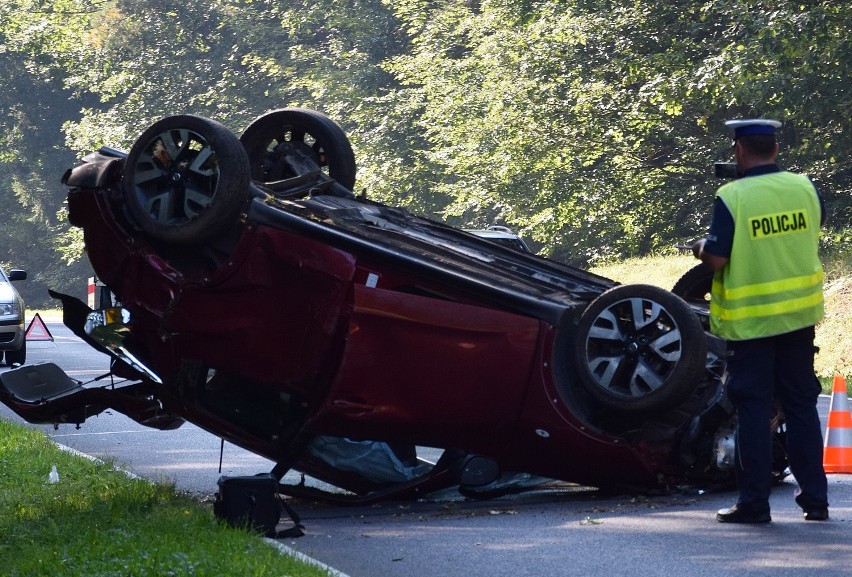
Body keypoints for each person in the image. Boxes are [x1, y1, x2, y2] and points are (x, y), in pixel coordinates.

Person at [692, 118, 829, 524]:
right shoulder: (804, 187)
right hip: (798, 317)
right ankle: (816, 501)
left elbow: (717, 257)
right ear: (775, 148)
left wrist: (701, 246)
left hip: (752, 325)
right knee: (801, 405)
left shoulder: (733, 196)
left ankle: (754, 504)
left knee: (752, 408)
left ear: (739, 151)